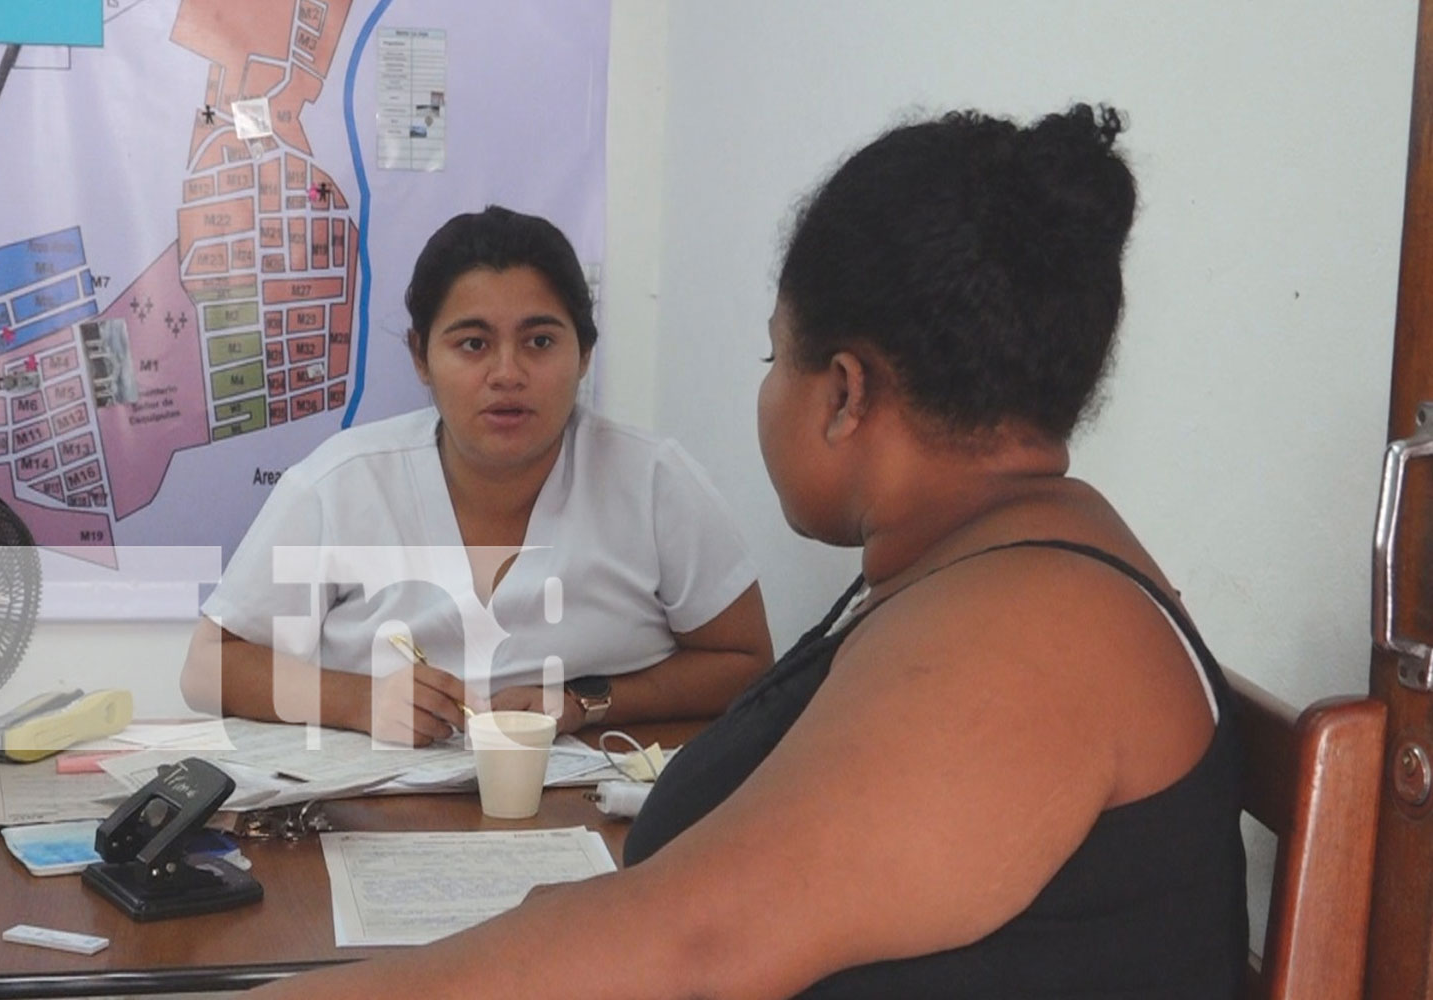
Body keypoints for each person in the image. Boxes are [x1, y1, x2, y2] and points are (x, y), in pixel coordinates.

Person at [252, 105, 1247, 997]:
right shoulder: (977, 570)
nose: (506, 374)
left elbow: (694, 946)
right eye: (470, 345)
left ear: (846, 391)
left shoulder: (1035, 630)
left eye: (778, 356)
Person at [182, 206, 773, 744]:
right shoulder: (342, 483)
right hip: (378, 817)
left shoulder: (653, 483)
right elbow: (209, 668)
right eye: (473, 344)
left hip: (589, 809)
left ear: (585, 354)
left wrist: (585, 701)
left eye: (540, 341)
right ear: (421, 357)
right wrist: (362, 701)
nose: (507, 373)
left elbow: (745, 663)